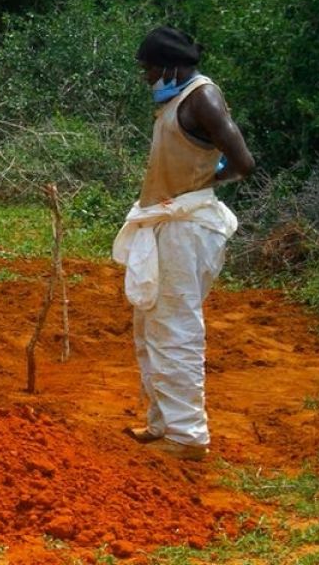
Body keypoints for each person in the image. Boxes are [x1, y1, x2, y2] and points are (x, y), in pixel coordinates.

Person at [112, 25, 254, 461]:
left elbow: (243, 162)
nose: (146, 76)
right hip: (170, 225)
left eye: (150, 68)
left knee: (174, 331)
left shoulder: (202, 98)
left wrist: (199, 185)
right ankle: (163, 422)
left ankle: (188, 437)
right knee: (151, 327)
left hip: (186, 227)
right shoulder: (177, 100)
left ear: (171, 66)